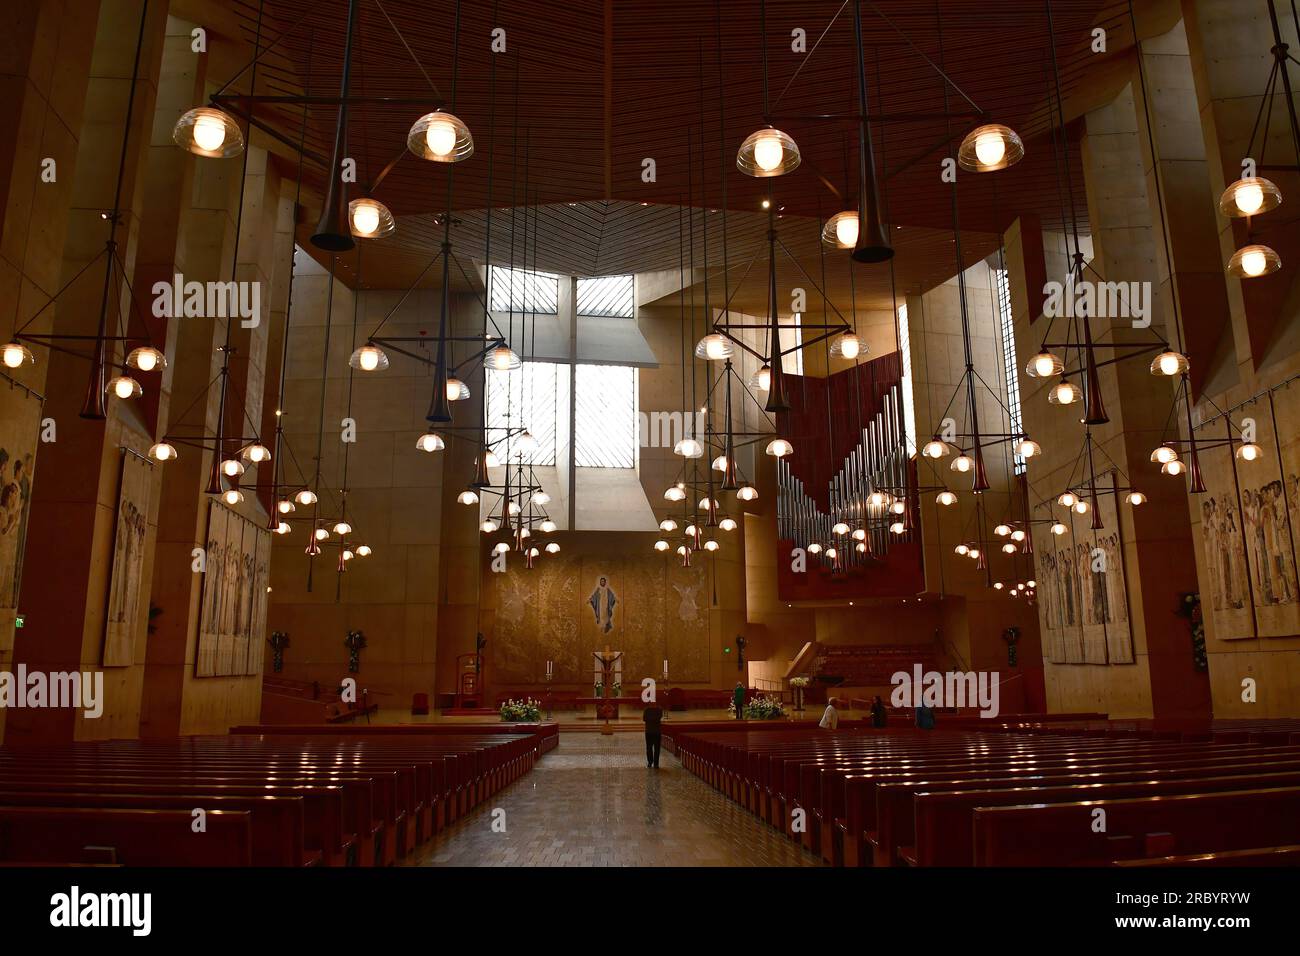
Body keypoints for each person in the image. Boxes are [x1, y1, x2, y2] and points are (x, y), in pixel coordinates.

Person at [643, 700, 663, 768]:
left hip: (652, 731)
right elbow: (645, 718)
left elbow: (645, 719)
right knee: (650, 748)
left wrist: (650, 719)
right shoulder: (658, 710)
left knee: (653, 748)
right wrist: (654, 719)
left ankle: (653, 763)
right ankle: (652, 763)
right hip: (653, 731)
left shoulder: (647, 710)